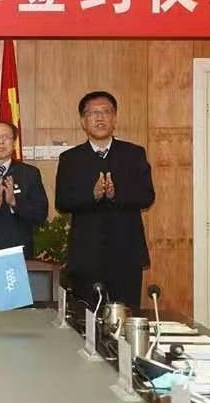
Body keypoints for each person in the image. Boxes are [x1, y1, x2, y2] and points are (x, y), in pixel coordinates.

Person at [55, 91, 155, 308]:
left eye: (106, 112)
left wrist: (114, 195)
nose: (100, 117)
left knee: (125, 316)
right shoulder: (71, 158)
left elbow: (147, 196)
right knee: (87, 319)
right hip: (86, 255)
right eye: (93, 113)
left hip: (126, 253)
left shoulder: (134, 154)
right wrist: (92, 195)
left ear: (114, 119)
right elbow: (62, 202)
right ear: (83, 121)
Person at [0, 120, 48, 258]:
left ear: (14, 143)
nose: (1, 141)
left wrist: (15, 203)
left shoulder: (30, 173)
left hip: (20, 250)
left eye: (6, 137)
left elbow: (41, 214)